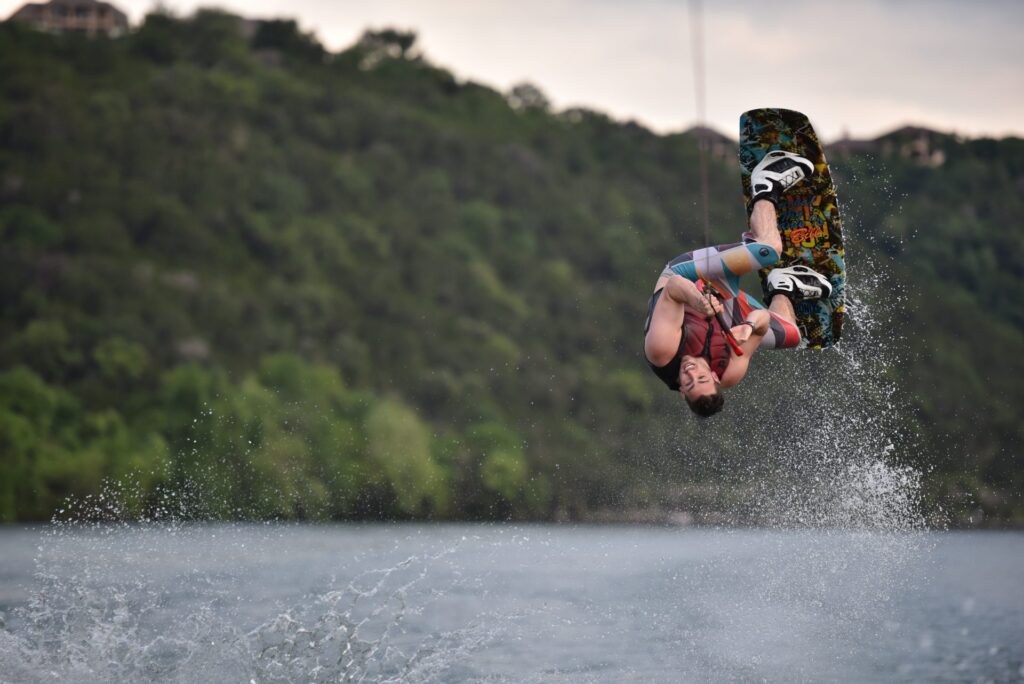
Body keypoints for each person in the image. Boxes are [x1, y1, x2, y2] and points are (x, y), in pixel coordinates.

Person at [643, 151, 833, 417]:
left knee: (769, 250)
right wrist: (749, 327)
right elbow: (763, 320)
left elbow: (674, 288)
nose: (690, 374)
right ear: (714, 377)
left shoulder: (662, 351)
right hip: (726, 306)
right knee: (794, 335)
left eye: (688, 382)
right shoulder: (729, 372)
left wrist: (699, 301)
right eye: (701, 378)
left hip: (689, 277)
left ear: (682, 391)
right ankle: (783, 285)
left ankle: (765, 185)